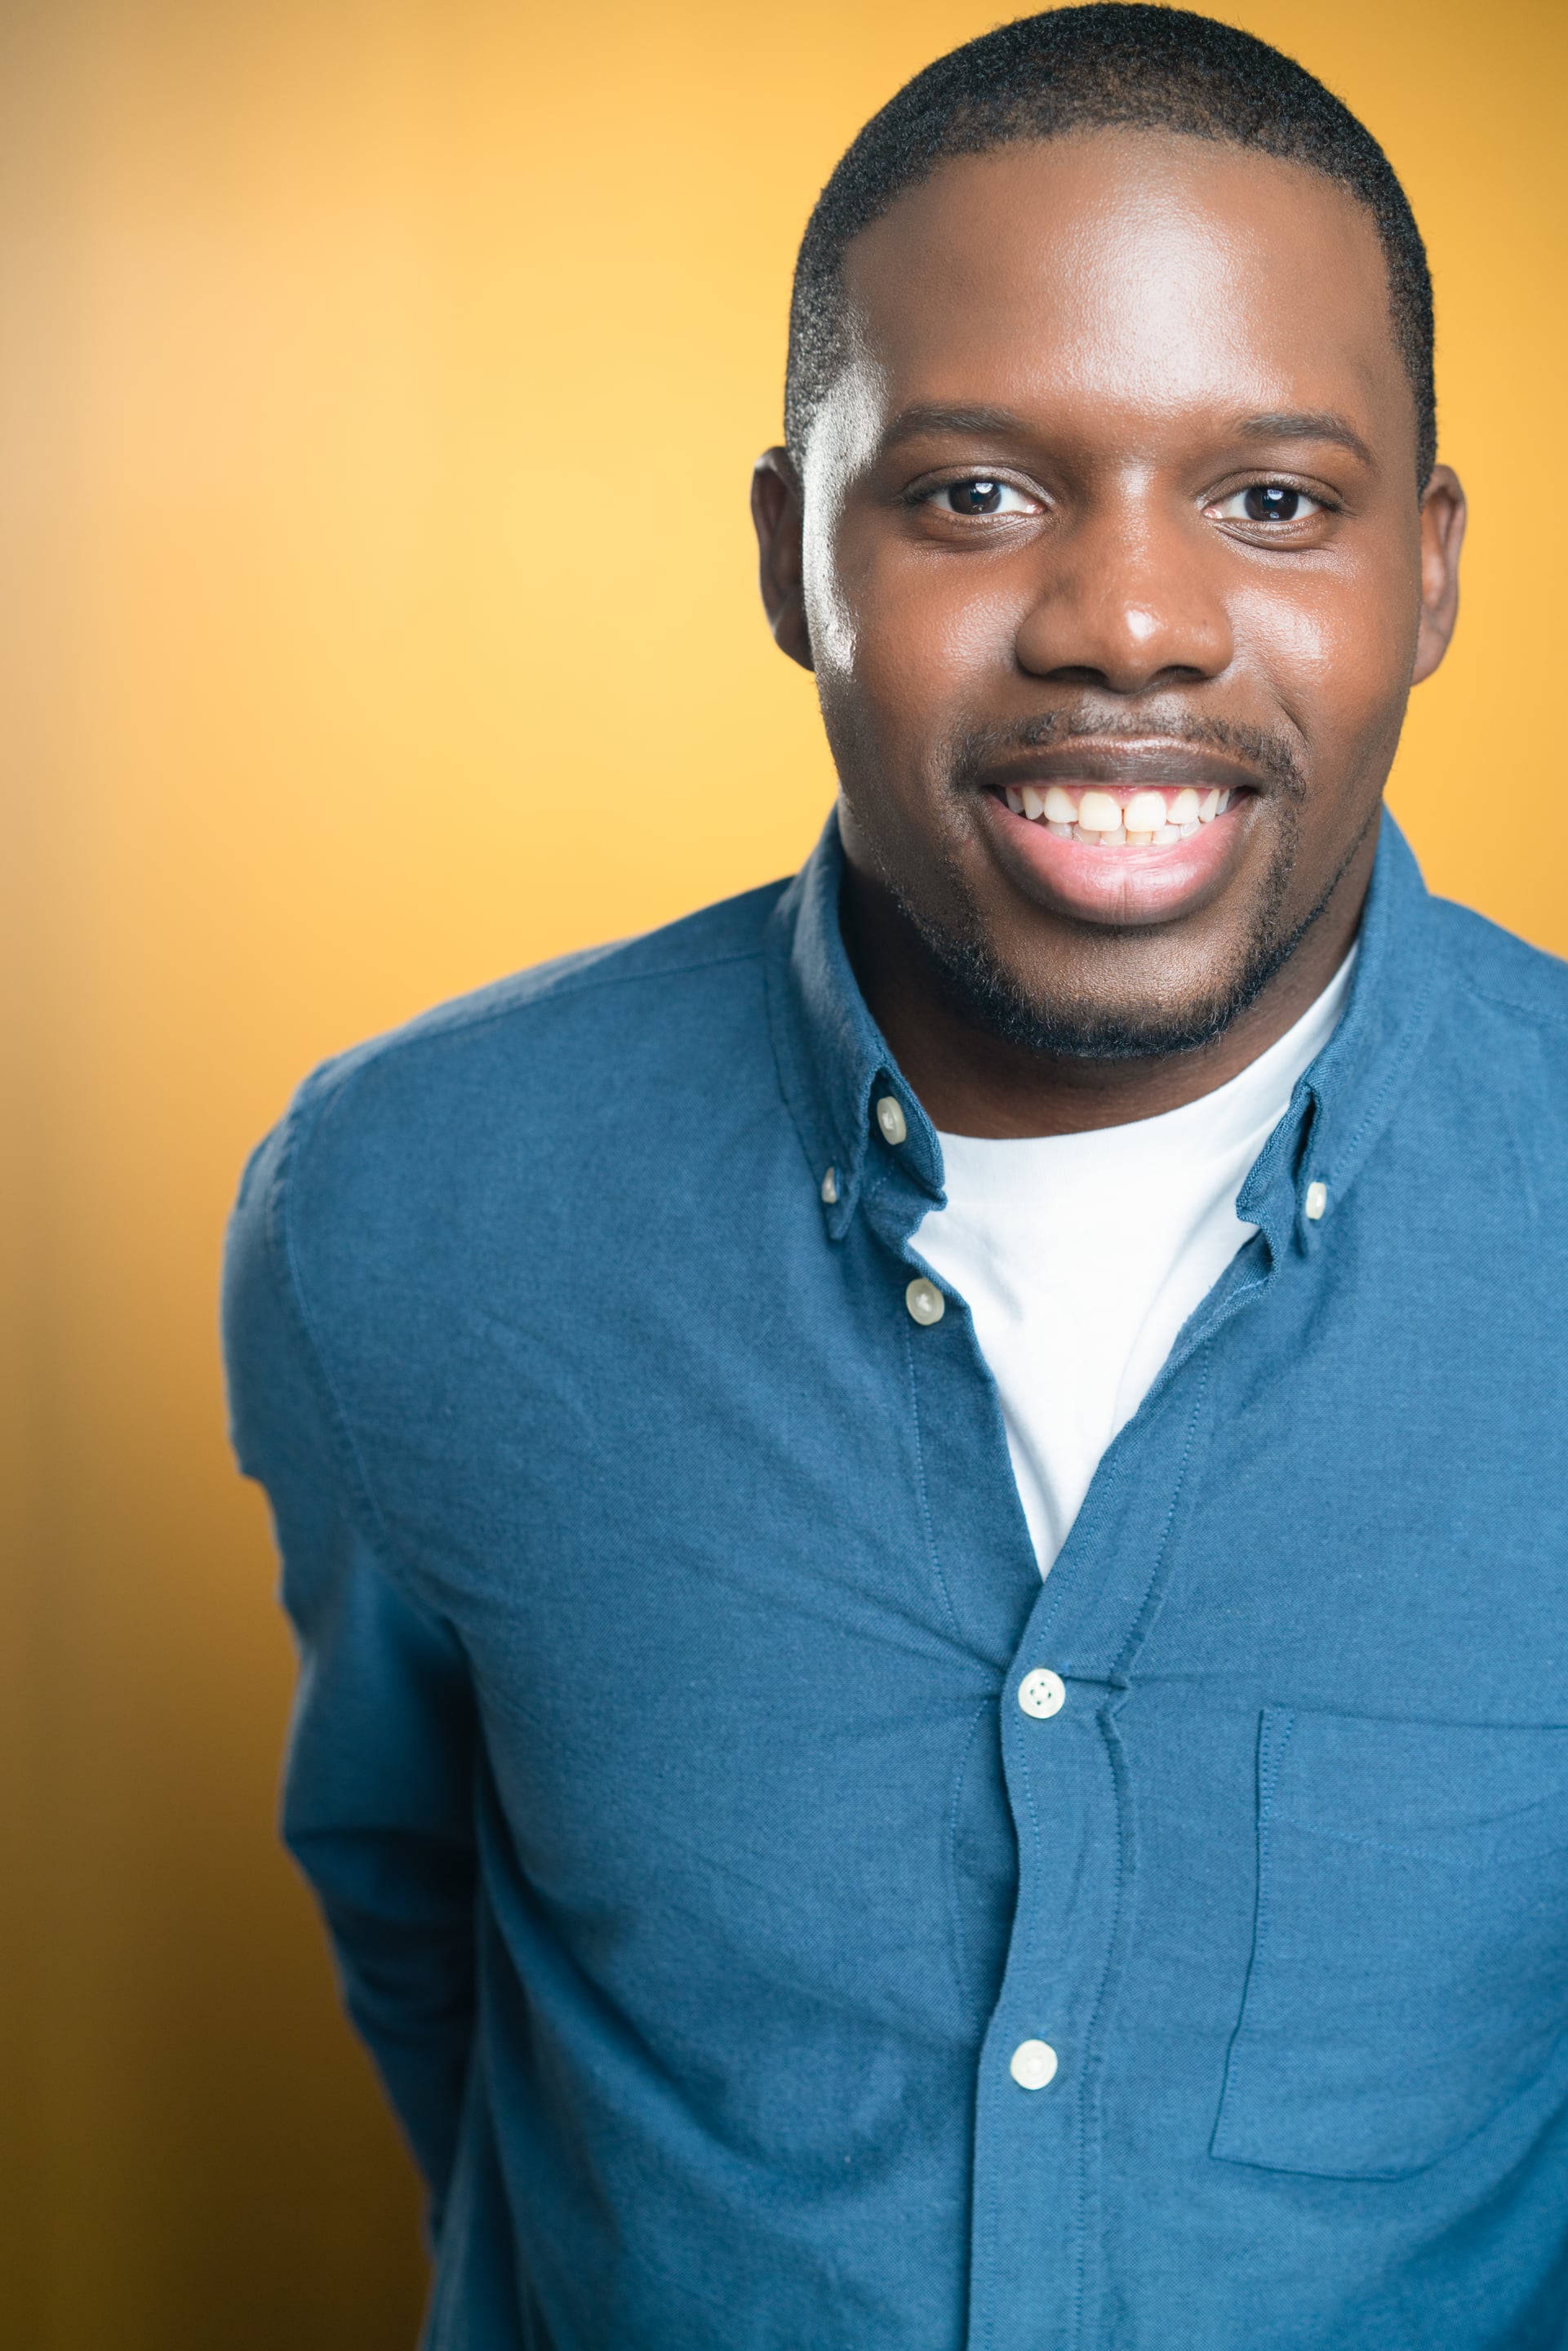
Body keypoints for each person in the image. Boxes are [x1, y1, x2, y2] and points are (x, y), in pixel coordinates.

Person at [220, 8, 1568, 2344]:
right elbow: (426, 1928)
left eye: (1272, 502)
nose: (1127, 622)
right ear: (791, 554)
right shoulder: (405, 1207)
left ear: (1427, 573)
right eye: (974, 495)